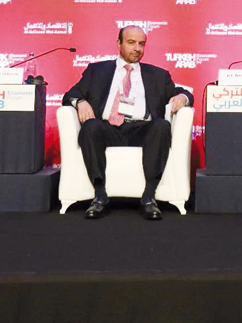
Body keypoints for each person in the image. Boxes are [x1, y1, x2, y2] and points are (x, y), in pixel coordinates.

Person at [63, 25, 192, 220]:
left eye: (142, 43)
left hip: (141, 130)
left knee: (162, 126)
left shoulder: (158, 75)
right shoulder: (97, 70)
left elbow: (182, 93)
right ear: (119, 44)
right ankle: (99, 195)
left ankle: (149, 197)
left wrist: (183, 97)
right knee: (90, 127)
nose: (137, 48)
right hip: (107, 129)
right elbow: (70, 95)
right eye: (131, 42)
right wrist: (80, 102)